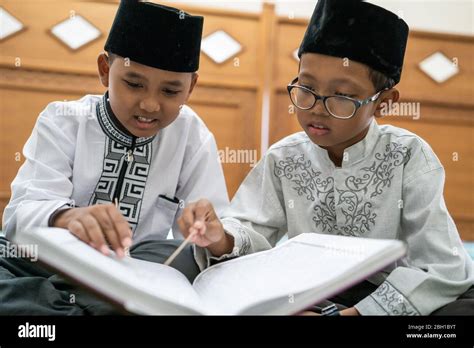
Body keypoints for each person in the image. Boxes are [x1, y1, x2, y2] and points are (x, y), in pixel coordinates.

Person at [178, 0, 474, 316]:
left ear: (384, 103)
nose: (316, 108)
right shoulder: (283, 158)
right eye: (306, 88)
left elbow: (441, 264)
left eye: (343, 96)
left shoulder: (409, 155)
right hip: (316, 293)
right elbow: (251, 232)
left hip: (392, 292)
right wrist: (218, 236)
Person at [0, 0, 228, 314]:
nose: (150, 105)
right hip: (47, 266)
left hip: (131, 270)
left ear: (191, 88)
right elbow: (19, 217)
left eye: (170, 92)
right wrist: (69, 218)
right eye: (134, 84)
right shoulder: (63, 119)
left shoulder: (193, 137)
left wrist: (210, 233)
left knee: (180, 260)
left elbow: (217, 229)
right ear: (105, 70)